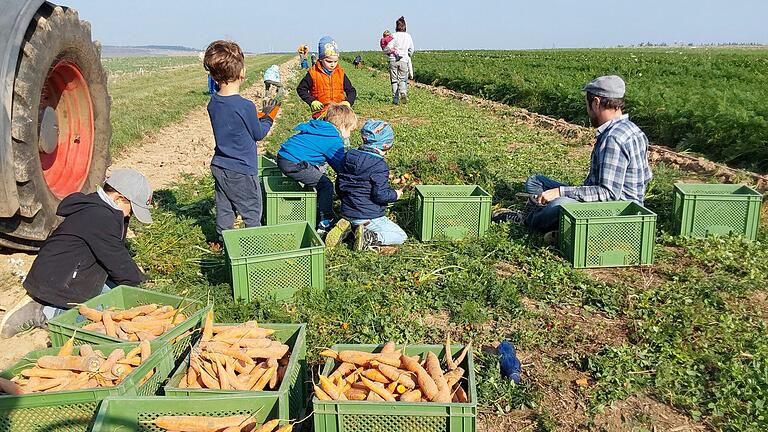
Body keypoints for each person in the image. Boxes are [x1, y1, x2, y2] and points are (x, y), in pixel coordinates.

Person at [0, 169, 153, 337]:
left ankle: (47, 305)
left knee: (115, 296)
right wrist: (139, 285)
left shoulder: (97, 207)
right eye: (131, 209)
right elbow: (117, 259)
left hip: (62, 273)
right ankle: (43, 311)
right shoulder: (101, 217)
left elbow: (114, 253)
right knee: (98, 313)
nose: (130, 215)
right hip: (60, 282)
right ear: (119, 199)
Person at [500, 75, 653, 240]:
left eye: (587, 105)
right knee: (535, 181)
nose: (587, 111)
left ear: (595, 102)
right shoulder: (632, 129)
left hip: (613, 214)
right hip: (608, 205)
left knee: (560, 204)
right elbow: (646, 176)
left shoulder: (613, 138)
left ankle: (529, 219)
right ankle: (554, 219)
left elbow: (608, 194)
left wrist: (560, 192)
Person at [204, 40, 280, 240]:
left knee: (225, 207)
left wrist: (258, 116)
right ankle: (253, 243)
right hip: (242, 170)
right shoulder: (245, 106)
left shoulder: (213, 103)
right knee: (252, 210)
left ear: (212, 75)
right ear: (242, 72)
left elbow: (233, 125)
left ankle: (222, 241)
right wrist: (270, 116)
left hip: (220, 165)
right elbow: (258, 134)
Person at [276, 104, 358, 234]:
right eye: (350, 130)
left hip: (284, 156)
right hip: (293, 163)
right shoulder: (332, 140)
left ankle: (312, 204)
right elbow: (341, 166)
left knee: (317, 175)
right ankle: (325, 221)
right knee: (325, 185)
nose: (349, 134)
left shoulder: (321, 128)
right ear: (342, 127)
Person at [326, 120, 407, 250]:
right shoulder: (379, 165)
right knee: (401, 236)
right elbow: (380, 195)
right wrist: (395, 194)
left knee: (354, 219)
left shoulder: (349, 156)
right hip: (368, 216)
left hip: (347, 210)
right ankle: (369, 237)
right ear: (387, 145)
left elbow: (339, 183)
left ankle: (348, 226)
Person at [297, 36, 357, 119]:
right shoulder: (313, 73)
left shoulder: (340, 73)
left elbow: (351, 91)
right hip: (320, 115)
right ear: (321, 59)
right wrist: (312, 101)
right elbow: (301, 89)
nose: (333, 64)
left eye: (335, 61)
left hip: (338, 114)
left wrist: (348, 102)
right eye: (329, 61)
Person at [387, 17, 414, 104]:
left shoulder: (392, 36)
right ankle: (403, 92)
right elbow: (411, 49)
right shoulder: (408, 36)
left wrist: (389, 54)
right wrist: (408, 55)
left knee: (394, 80)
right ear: (405, 26)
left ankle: (395, 100)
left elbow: (388, 48)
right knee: (402, 79)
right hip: (404, 60)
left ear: (396, 26)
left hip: (393, 60)